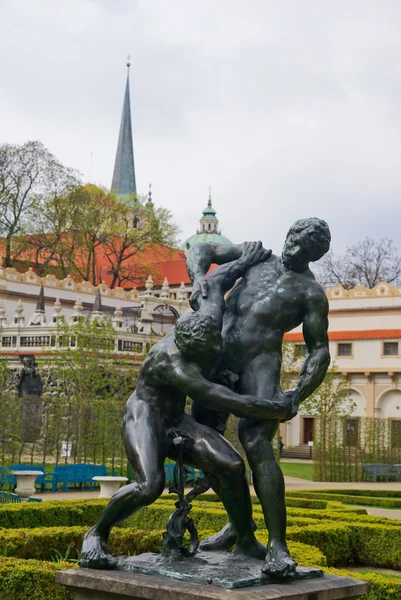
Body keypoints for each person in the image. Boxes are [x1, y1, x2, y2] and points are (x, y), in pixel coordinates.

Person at [81, 242, 296, 569]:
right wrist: (277, 409)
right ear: (188, 350)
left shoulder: (207, 317)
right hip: (145, 416)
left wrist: (237, 264)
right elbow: (230, 400)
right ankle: (96, 534)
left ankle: (245, 538)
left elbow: (214, 278)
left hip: (176, 419)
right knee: (149, 485)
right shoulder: (177, 367)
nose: (211, 358)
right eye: (205, 356)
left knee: (233, 467)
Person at [187, 217, 331, 578]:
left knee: (256, 443)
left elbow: (320, 352)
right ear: (289, 235)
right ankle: (240, 527)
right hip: (217, 356)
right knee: (202, 442)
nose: (294, 251)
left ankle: (278, 546)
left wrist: (296, 395)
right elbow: (200, 249)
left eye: (305, 251)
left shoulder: (310, 293)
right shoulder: (257, 255)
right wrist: (199, 279)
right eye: (294, 242)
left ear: (315, 256)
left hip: (260, 366)